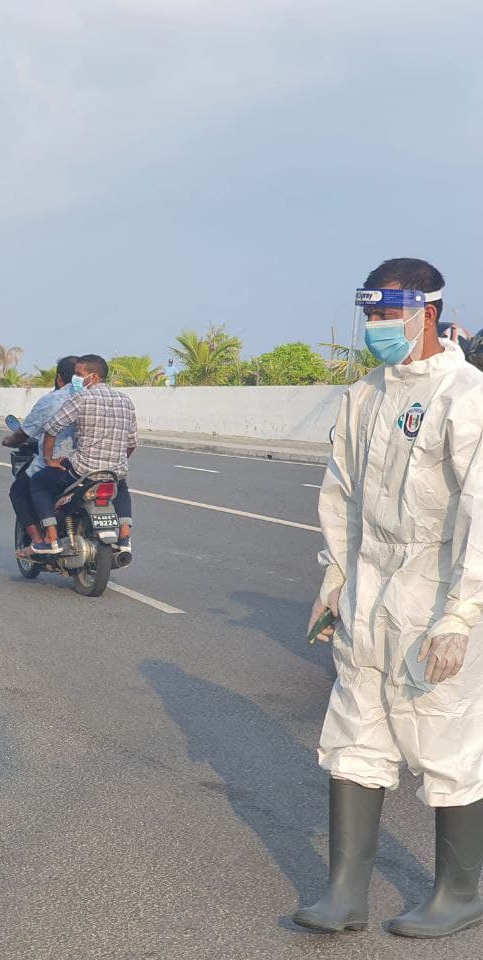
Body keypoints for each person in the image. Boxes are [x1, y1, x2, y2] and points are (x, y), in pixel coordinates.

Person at [294, 259, 483, 939]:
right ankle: (345, 892)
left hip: (437, 588)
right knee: (354, 731)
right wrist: (336, 583)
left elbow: (480, 514)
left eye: (385, 316)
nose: (374, 328)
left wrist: (462, 614)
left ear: (425, 314)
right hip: (371, 584)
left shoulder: (466, 396)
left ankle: (460, 892)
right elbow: (340, 495)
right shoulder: (364, 395)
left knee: (444, 737)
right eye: (368, 315)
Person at [24, 355, 137, 556]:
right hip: (112, 472)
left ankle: (51, 539)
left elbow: (52, 428)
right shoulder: (125, 400)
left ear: (93, 377)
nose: (75, 379)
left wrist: (49, 459)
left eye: (78, 374)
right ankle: (124, 537)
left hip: (81, 471)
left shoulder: (82, 397)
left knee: (38, 484)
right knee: (122, 486)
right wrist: (116, 461)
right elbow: (132, 443)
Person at [2, 355, 79, 544]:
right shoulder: (98, 398)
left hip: (61, 463)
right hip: (93, 464)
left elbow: (25, 433)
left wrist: (9, 441)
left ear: (60, 378)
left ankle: (39, 540)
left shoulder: (53, 400)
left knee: (19, 490)